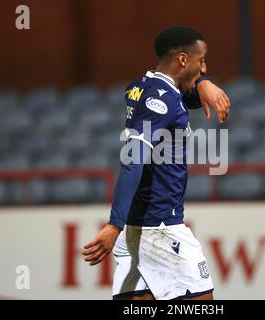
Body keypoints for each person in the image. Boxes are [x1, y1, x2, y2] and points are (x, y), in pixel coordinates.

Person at [82, 25, 230, 300]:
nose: (205, 68)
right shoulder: (161, 100)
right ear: (183, 60)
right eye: (201, 61)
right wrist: (113, 225)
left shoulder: (140, 87)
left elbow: (176, 99)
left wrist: (202, 85)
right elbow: (133, 159)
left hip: (136, 230)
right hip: (160, 228)